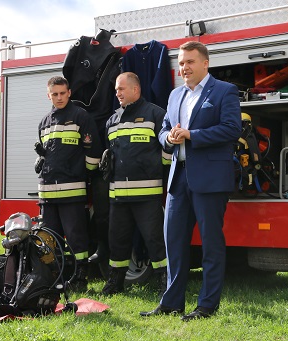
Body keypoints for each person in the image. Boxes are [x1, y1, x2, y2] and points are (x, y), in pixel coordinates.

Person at [140, 41, 241, 321]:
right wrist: (169, 138)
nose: (184, 67)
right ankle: (172, 303)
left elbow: (232, 129)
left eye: (190, 62)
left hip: (209, 178)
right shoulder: (174, 95)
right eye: (181, 63)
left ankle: (206, 306)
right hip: (178, 176)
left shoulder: (224, 91)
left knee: (210, 244)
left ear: (205, 63)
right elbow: (162, 130)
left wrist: (192, 134)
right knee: (173, 242)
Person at [101, 72, 170, 295]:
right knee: (117, 241)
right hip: (118, 196)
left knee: (155, 239)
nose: (117, 93)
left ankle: (164, 281)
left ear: (135, 90)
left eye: (121, 89)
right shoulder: (111, 120)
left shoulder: (155, 114)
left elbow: (167, 154)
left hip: (148, 195)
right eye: (116, 90)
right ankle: (116, 282)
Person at [35, 76, 102, 291]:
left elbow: (94, 152)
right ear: (48, 95)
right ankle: (55, 279)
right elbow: (49, 155)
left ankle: (80, 278)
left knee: (76, 237)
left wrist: (85, 175)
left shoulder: (81, 116)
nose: (59, 97)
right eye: (54, 94)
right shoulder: (44, 122)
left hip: (72, 189)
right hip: (47, 192)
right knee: (50, 239)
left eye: (63, 93)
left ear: (69, 93)